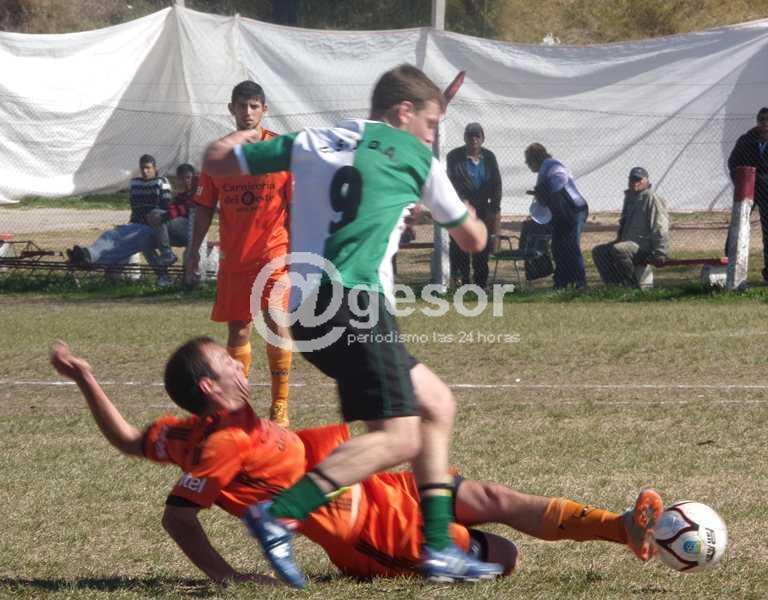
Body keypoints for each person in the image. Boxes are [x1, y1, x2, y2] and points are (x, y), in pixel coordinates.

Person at [201, 64, 497, 586]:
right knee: (398, 438)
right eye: (430, 123)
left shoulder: (313, 140)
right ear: (403, 112)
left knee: (436, 404)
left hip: (305, 309)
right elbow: (474, 240)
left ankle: (437, 547)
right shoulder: (417, 158)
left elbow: (216, 160)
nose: (432, 135)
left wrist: (250, 131)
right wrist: (463, 211)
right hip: (356, 303)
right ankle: (281, 513)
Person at [49, 337, 664, 585]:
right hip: (367, 532)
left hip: (377, 484)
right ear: (211, 387)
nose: (240, 363)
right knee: (505, 557)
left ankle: (622, 528)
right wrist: (228, 577)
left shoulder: (185, 433)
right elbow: (178, 517)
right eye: (227, 363)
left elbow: (128, 439)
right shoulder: (217, 446)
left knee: (493, 497)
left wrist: (85, 378)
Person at [184, 81, 293, 427]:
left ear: (264, 110)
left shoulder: (280, 151)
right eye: (242, 106)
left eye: (254, 106)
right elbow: (204, 206)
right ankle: (238, 407)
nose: (248, 112)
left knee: (276, 324)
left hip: (274, 254)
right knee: (240, 332)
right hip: (235, 258)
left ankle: (280, 405)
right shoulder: (219, 156)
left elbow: (297, 205)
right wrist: (193, 250)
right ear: (231, 108)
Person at [66, 154, 173, 286]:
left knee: (118, 239)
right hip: (136, 225)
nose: (145, 171)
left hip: (153, 226)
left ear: (155, 168)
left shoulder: (162, 182)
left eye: (148, 168)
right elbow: (135, 208)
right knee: (113, 238)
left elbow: (165, 208)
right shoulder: (135, 183)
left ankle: (90, 258)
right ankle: (88, 258)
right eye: (142, 168)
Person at [525, 143, 589, 289]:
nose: (528, 165)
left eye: (528, 161)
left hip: (574, 210)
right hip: (563, 212)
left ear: (535, 159)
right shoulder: (547, 167)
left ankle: (580, 282)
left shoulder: (551, 165)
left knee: (571, 246)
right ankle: (561, 282)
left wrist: (547, 190)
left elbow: (561, 178)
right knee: (558, 246)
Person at [592, 167, 669, 287]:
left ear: (646, 181)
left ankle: (631, 287)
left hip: (644, 247)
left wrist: (660, 252)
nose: (635, 182)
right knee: (599, 251)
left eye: (638, 179)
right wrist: (619, 239)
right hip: (627, 244)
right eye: (632, 179)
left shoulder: (652, 198)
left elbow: (660, 226)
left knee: (619, 249)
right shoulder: (630, 198)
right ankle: (613, 286)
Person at [446, 122, 502, 288]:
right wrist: (462, 204)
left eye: (477, 136)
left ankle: (480, 283)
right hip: (461, 209)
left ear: (482, 138)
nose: (474, 139)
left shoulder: (489, 157)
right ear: (465, 138)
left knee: (481, 246)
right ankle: (463, 281)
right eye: (470, 136)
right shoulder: (454, 157)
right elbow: (452, 183)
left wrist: (495, 207)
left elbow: (496, 183)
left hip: (483, 208)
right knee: (460, 246)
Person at [727, 106, 768, 281]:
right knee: (737, 226)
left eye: (767, 120)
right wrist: (740, 183)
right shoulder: (746, 140)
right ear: (757, 121)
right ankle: (728, 263)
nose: (765, 123)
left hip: (767, 192)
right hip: (747, 190)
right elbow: (733, 162)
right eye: (761, 119)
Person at [146, 163, 197, 267]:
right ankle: (163, 274)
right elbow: (171, 209)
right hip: (178, 234)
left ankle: (167, 254)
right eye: (182, 179)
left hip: (193, 233)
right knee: (144, 241)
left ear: (194, 177)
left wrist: (163, 217)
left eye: (188, 177)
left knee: (156, 214)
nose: (185, 181)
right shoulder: (181, 196)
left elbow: (185, 208)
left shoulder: (199, 192)